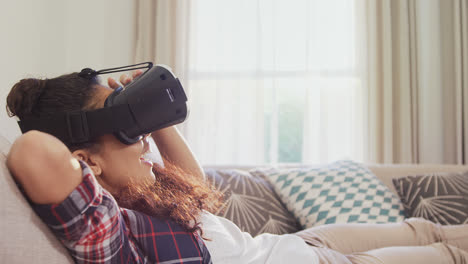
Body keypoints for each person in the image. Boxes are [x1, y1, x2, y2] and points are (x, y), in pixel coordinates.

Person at [5, 67, 468, 264]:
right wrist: (74, 154)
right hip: (324, 261)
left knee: (423, 230)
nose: (142, 137)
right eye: (127, 130)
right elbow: (31, 153)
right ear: (86, 162)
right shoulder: (111, 235)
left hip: (296, 244)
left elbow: (196, 184)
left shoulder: (146, 193)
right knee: (451, 254)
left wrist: (156, 121)